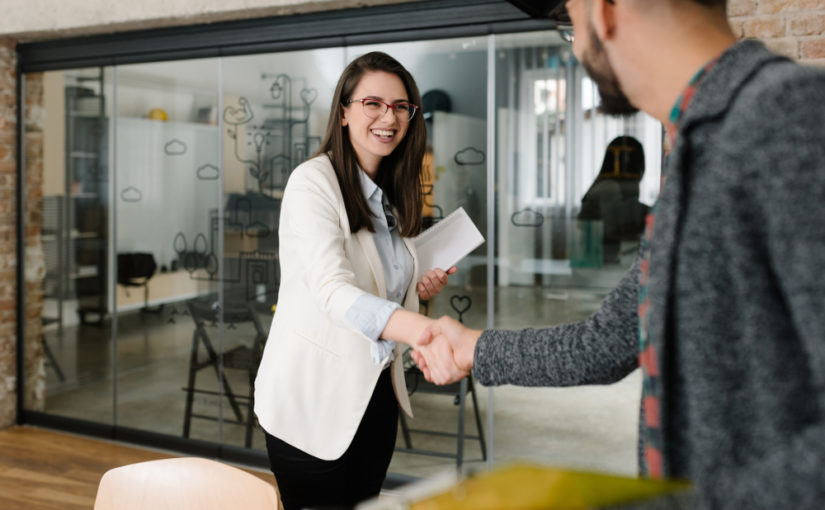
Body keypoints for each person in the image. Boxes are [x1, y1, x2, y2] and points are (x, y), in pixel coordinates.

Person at [412, 0, 825, 508]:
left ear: (603, 11)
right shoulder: (697, 150)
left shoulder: (791, 119)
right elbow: (608, 342)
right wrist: (470, 348)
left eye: (572, 24)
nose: (579, 46)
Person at [254, 51, 456, 510]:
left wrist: (415, 289)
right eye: (374, 103)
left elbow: (377, 287)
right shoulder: (313, 183)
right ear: (343, 112)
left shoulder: (392, 193)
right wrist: (425, 331)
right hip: (310, 404)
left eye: (401, 106)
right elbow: (333, 290)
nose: (390, 117)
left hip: (374, 396)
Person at [578, 135, 649, 263]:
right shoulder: (609, 188)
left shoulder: (608, 186)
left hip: (601, 264)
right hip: (596, 268)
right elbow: (617, 225)